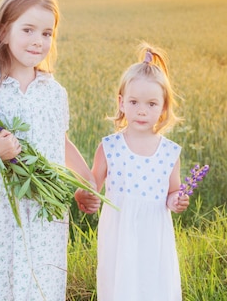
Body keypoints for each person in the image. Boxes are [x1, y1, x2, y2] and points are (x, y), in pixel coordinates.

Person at [0, 0, 101, 300]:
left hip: (42, 211)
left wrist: (86, 182)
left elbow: (59, 141)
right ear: (4, 31)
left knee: (39, 282)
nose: (39, 41)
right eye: (28, 30)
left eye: (47, 33)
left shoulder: (54, 92)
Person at [90, 42, 190, 301]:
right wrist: (85, 197)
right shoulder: (110, 146)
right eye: (134, 102)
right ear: (121, 103)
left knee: (152, 286)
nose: (142, 110)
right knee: (118, 285)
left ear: (163, 108)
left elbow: (171, 192)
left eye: (151, 104)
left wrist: (177, 200)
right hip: (119, 235)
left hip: (153, 235)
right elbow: (92, 187)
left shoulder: (169, 152)